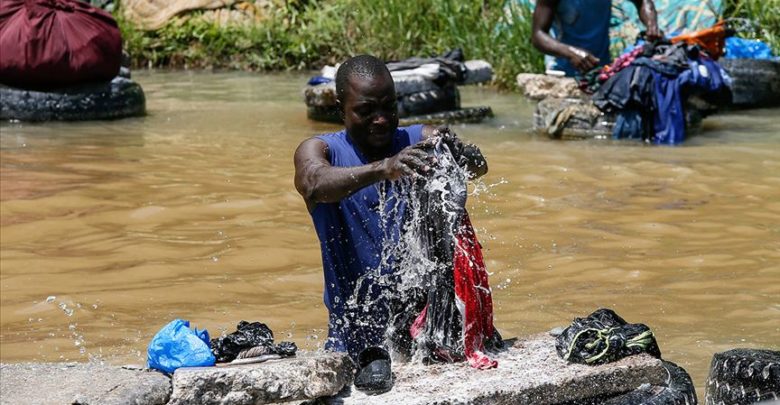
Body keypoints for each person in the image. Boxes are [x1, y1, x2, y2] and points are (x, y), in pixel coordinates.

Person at [293, 55, 488, 359]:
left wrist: (459, 151)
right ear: (339, 109)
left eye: (389, 107)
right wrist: (384, 168)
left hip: (427, 333)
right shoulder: (322, 151)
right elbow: (313, 183)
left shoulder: (418, 140)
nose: (381, 119)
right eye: (366, 110)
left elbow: (479, 168)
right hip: (356, 339)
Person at [531, 0, 660, 76]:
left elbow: (643, 1)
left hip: (601, 70)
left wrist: (651, 25)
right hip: (561, 72)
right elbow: (538, 35)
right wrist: (571, 53)